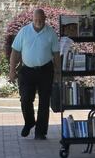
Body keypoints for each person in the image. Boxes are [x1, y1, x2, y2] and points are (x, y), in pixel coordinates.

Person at [9, 8, 60, 140]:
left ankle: (40, 132)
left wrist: (58, 72)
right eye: (36, 20)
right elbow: (15, 51)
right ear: (32, 19)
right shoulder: (24, 31)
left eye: (41, 19)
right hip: (27, 71)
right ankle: (29, 122)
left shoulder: (51, 33)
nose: (38, 22)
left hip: (46, 70)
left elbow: (56, 54)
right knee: (25, 99)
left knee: (44, 102)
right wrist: (12, 71)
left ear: (45, 19)